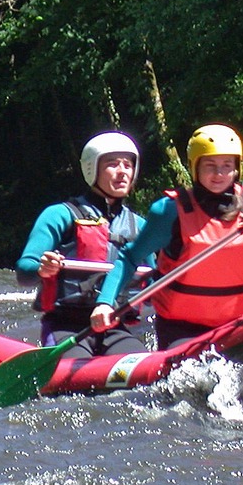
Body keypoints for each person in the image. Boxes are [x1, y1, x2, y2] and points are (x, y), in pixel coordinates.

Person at [90, 124, 243, 349]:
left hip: (238, 322)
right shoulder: (169, 211)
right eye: (210, 166)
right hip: (181, 327)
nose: (219, 174)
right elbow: (130, 258)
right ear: (195, 168)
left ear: (237, 168)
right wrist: (104, 302)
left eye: (226, 165)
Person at [14, 131, 154, 357]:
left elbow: (156, 280)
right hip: (64, 327)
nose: (122, 172)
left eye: (128, 165)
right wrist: (42, 268)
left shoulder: (140, 226)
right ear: (92, 169)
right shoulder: (60, 215)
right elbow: (23, 273)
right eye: (112, 164)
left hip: (114, 326)